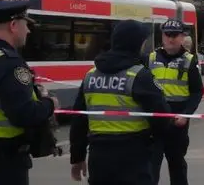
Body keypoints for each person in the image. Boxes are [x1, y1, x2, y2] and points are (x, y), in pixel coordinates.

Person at [0, 0, 59, 185]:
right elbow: (23, 114)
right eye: (26, 24)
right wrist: (50, 104)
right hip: (0, 162)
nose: (29, 31)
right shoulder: (9, 64)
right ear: (13, 25)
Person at [69, 19, 172, 184]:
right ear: (136, 44)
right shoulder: (139, 75)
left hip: (99, 155)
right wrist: (155, 144)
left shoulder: (91, 75)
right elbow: (162, 116)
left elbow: (79, 120)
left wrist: (77, 157)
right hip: (133, 155)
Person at [148, 19, 203, 185]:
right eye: (167, 35)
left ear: (182, 37)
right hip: (155, 122)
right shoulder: (150, 58)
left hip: (177, 123)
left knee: (177, 165)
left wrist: (186, 115)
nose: (170, 39)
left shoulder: (189, 60)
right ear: (162, 36)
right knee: (150, 167)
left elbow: (197, 91)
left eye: (175, 35)